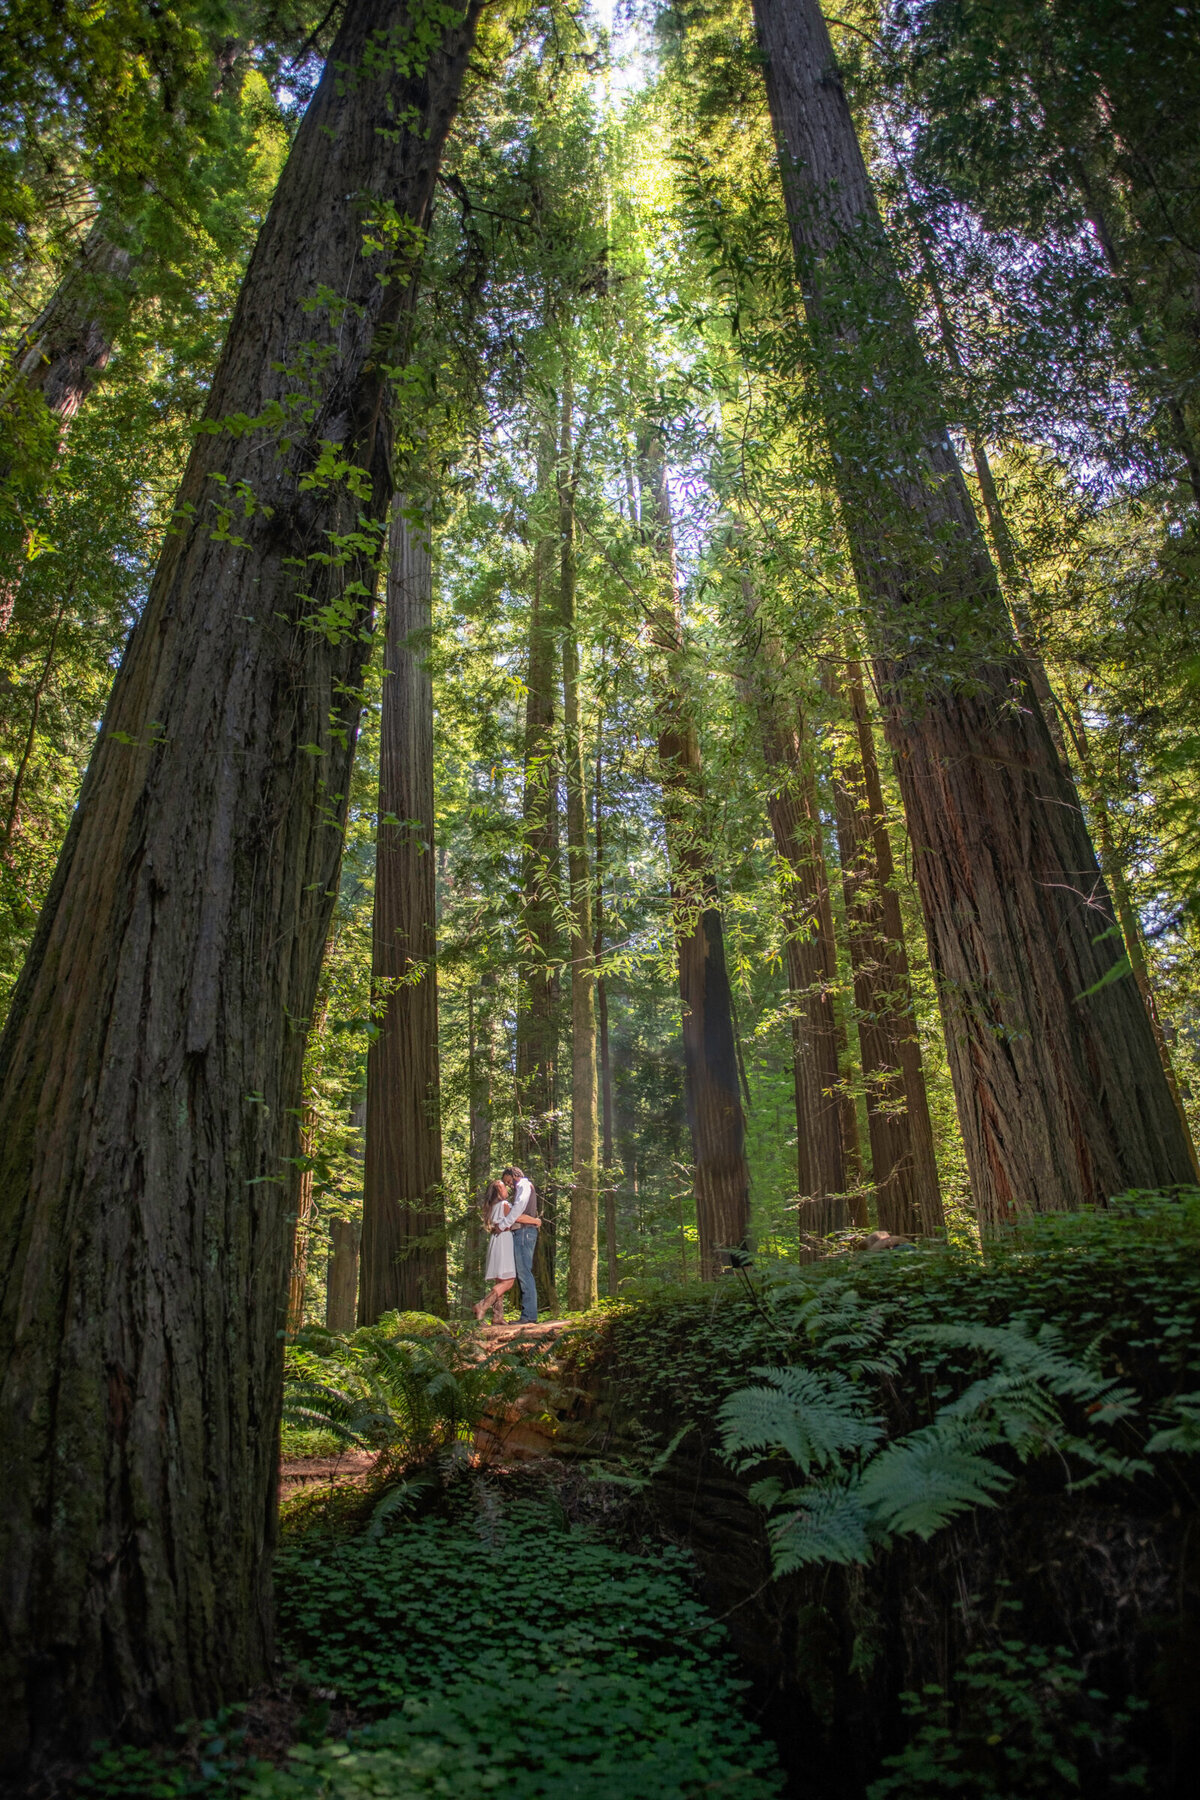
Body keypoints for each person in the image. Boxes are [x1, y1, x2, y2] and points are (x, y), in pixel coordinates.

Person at [502, 1164, 540, 1324]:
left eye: (508, 1180)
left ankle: (529, 1316)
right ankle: (529, 1314)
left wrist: (507, 1221)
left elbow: (519, 1207)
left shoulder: (524, 1185)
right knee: (524, 1272)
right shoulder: (520, 1187)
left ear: (514, 1174)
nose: (508, 1184)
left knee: (524, 1273)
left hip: (524, 1232)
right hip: (523, 1231)